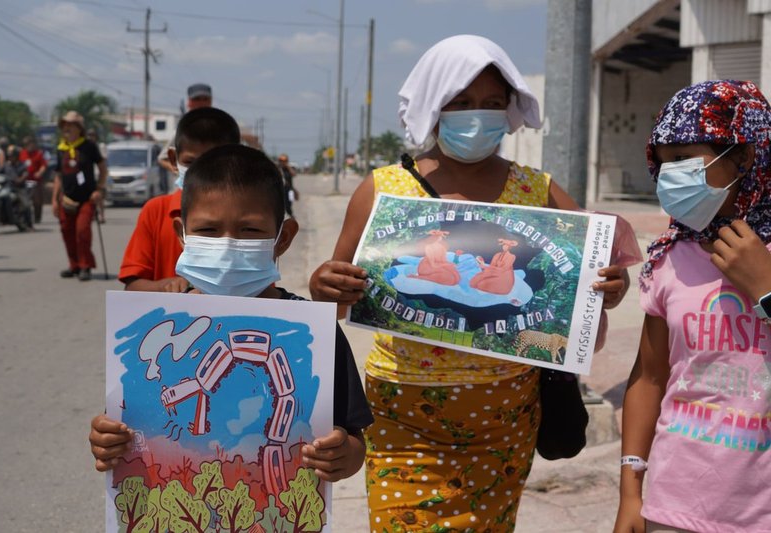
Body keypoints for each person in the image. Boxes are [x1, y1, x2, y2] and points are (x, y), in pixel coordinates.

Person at [309, 35, 634, 532]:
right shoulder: (381, 189)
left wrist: (611, 284)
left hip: (504, 416)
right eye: (460, 103)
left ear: (509, 108)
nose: (477, 115)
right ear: (434, 105)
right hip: (402, 415)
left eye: (492, 102)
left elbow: (594, 271)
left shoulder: (538, 190)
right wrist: (325, 286)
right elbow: (336, 300)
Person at [89, 144, 373, 485]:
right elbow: (122, 425)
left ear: (283, 238)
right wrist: (106, 440)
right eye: (208, 231)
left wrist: (342, 455)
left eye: (249, 230)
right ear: (181, 234)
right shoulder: (158, 336)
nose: (226, 246)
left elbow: (354, 441)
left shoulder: (316, 335)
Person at [615, 80, 771, 533]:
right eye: (664, 163)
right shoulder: (671, 256)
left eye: (685, 158)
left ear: (745, 156)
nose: (671, 176)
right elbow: (650, 378)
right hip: (674, 507)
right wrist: (630, 494)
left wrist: (765, 290)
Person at [118, 106, 241, 292]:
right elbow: (133, 286)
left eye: (214, 164)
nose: (201, 173)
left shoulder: (248, 217)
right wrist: (167, 287)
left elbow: (264, 291)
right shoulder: (156, 211)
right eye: (191, 163)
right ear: (173, 159)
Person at [52, 110, 107, 282]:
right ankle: (73, 265)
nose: (66, 129)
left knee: (82, 231)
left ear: (79, 128)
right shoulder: (61, 149)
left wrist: (99, 189)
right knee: (66, 232)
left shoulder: (89, 146)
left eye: (70, 125)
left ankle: (85, 266)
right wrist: (55, 200)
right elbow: (58, 176)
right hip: (66, 199)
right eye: (64, 125)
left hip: (87, 198)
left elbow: (103, 169)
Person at [158, 83, 213, 184]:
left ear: (210, 101)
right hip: (188, 188)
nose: (201, 103)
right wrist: (182, 173)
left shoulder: (219, 127)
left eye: (205, 99)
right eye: (197, 99)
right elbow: (162, 159)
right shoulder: (184, 128)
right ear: (189, 102)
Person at [19, 136, 48, 223]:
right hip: (25, 180)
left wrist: (39, 172)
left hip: (36, 181)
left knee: (37, 200)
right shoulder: (22, 153)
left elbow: (44, 165)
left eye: (31, 144)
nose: (29, 146)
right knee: (24, 199)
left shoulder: (38, 154)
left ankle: (37, 217)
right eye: (27, 145)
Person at [86, 128, 107, 223]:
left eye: (92, 135)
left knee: (100, 196)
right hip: (90, 175)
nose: (91, 137)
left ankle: (101, 215)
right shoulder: (86, 147)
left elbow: (103, 161)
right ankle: (93, 214)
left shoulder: (100, 146)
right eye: (89, 135)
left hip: (98, 173)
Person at [278, 153, 298, 217]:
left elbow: (294, 174)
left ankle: (291, 215)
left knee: (289, 205)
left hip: (290, 190)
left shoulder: (289, 168)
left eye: (284, 161)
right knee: (281, 205)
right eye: (281, 160)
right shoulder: (278, 169)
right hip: (281, 190)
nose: (282, 162)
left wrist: (288, 167)